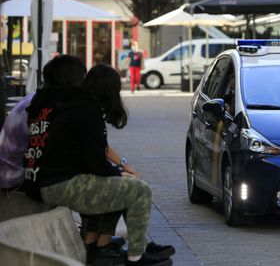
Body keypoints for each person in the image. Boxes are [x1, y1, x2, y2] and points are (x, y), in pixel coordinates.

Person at [23, 56, 174, 266]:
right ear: (109, 91)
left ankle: (95, 247)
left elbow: (95, 160)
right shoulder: (86, 112)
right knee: (139, 191)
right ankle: (136, 256)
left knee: (118, 188)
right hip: (59, 185)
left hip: (53, 182)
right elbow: (98, 165)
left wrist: (119, 172)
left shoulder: (79, 107)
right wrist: (121, 173)